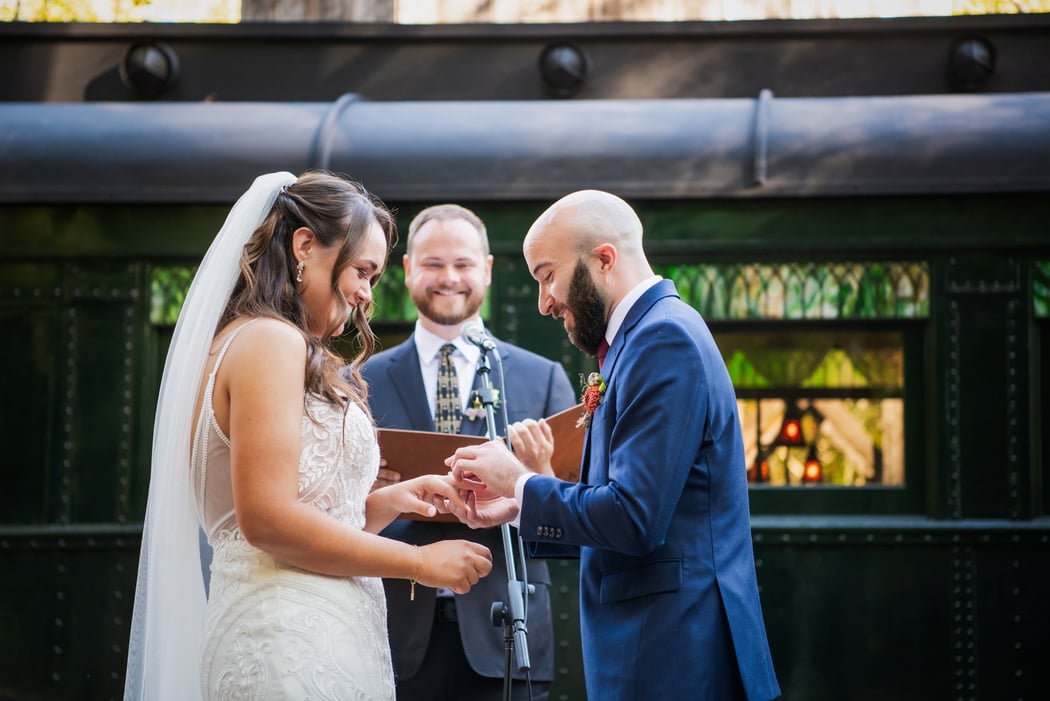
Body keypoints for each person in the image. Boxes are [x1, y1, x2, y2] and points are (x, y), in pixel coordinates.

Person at [124, 171, 493, 701]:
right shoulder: (271, 341)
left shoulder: (241, 339)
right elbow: (268, 522)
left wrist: (389, 500)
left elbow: (287, 518)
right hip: (290, 642)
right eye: (362, 271)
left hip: (300, 627)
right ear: (303, 246)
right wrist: (418, 563)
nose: (366, 294)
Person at [447, 190, 782, 701]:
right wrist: (517, 506)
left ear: (604, 259)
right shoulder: (645, 338)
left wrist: (519, 479)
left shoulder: (662, 340)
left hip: (674, 654)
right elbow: (632, 514)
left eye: (547, 276)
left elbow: (633, 518)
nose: (544, 302)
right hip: (663, 643)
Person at [360, 204, 576, 700]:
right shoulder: (361, 381)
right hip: (394, 628)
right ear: (408, 269)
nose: (449, 278)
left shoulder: (543, 378)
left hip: (508, 630)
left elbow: (571, 527)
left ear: (488, 270)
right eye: (433, 264)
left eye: (463, 264)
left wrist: (536, 482)